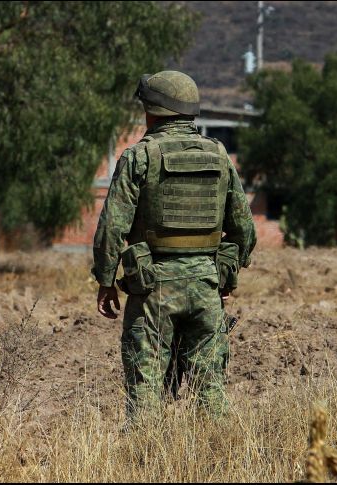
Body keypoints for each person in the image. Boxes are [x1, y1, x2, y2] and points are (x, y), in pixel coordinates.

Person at [91, 70, 256, 419]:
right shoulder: (219, 155)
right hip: (206, 289)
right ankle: (221, 462)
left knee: (146, 398)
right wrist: (224, 278)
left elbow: (111, 228)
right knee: (210, 397)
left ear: (152, 110)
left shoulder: (138, 157)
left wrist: (106, 282)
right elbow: (245, 230)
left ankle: (147, 462)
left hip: (153, 291)